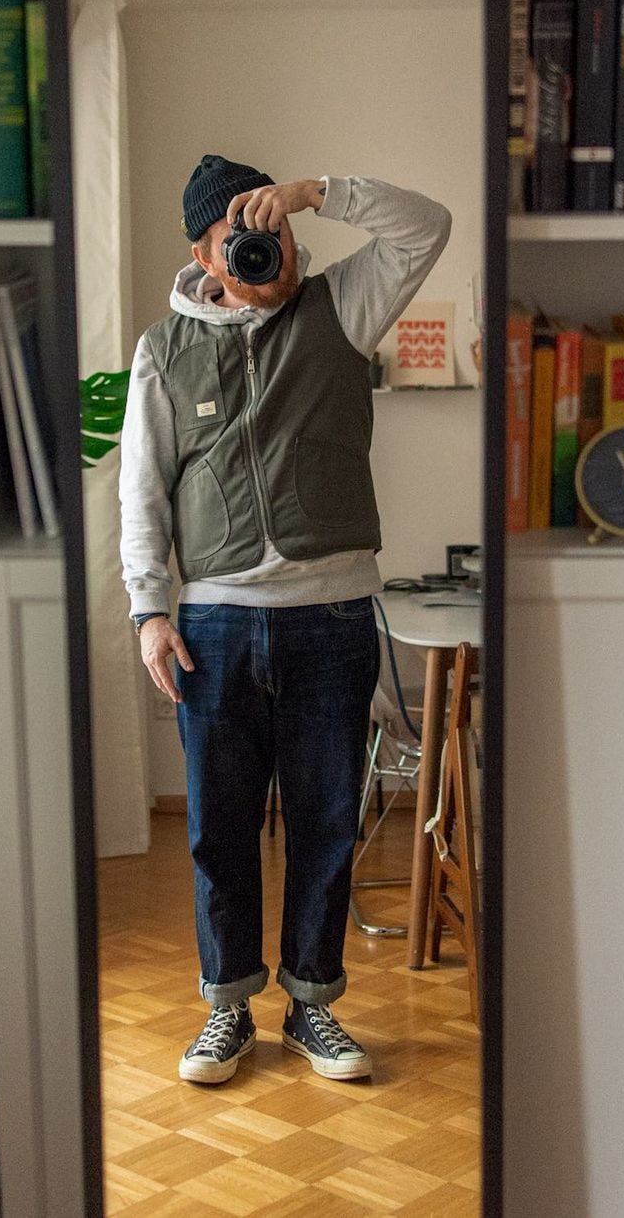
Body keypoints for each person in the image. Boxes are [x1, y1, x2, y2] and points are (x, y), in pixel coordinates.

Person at [119, 154, 452, 1085]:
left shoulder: (341, 308)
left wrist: (319, 192)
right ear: (204, 252)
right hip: (216, 625)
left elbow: (428, 224)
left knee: (324, 818)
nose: (273, 252)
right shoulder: (163, 350)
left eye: (280, 231)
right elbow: (141, 490)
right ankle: (228, 1007)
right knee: (218, 828)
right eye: (245, 238)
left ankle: (312, 1005)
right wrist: (150, 611)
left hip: (333, 616)